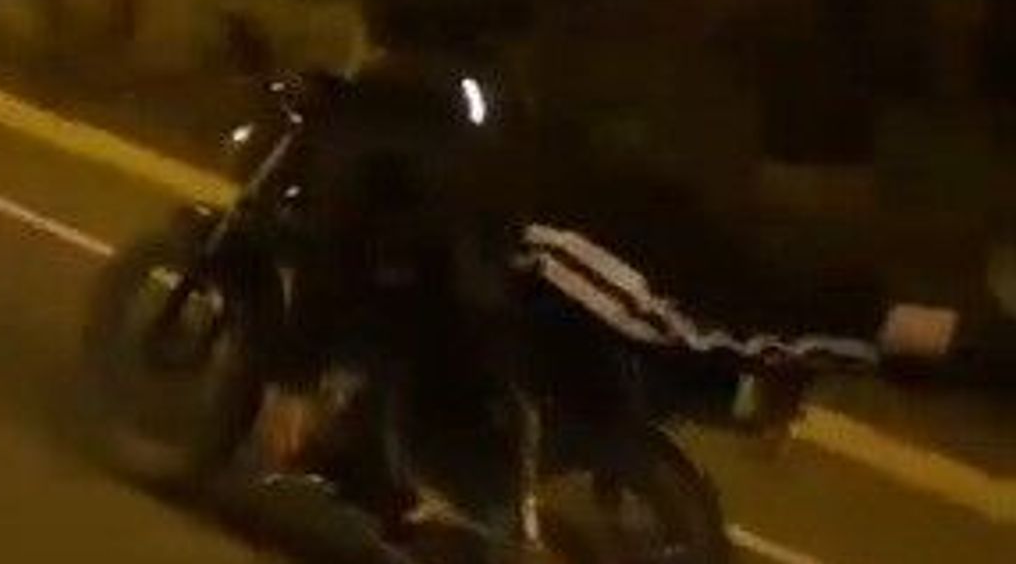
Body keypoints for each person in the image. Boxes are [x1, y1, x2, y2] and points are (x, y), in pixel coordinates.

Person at [256, 59, 957, 542]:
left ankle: (922, 337)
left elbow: (331, 255)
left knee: (707, 316)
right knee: (719, 296)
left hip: (550, 228)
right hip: (569, 218)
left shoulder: (349, 145)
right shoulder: (418, 103)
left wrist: (294, 380)